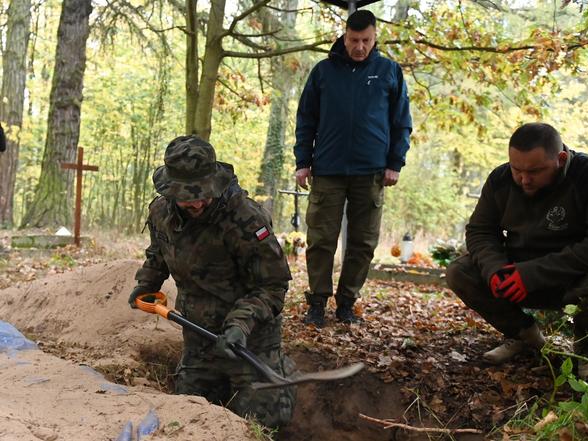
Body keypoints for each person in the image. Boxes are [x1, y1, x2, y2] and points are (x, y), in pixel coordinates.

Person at [446, 123, 588, 381]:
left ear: (560, 159)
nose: (524, 179)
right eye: (517, 169)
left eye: (535, 171)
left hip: (578, 279)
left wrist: (532, 274)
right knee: (460, 271)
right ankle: (523, 335)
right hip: (517, 274)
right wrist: (495, 271)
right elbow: (480, 231)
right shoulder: (500, 180)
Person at [128, 135, 295, 428]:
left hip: (251, 338)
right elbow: (159, 253)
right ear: (171, 191)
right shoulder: (161, 213)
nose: (197, 202)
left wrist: (240, 324)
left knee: (262, 422)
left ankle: (281, 371)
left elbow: (272, 286)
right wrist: (147, 283)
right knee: (188, 418)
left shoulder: (246, 220)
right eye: (187, 196)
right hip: (199, 334)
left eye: (203, 193)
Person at [294, 9, 412, 327]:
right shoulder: (323, 72)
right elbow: (306, 119)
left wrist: (394, 163)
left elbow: (402, 123)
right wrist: (303, 162)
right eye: (353, 40)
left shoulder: (389, 72)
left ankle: (347, 302)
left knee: (362, 242)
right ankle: (317, 302)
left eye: (365, 41)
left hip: (371, 172)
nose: (359, 47)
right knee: (320, 239)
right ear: (344, 36)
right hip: (328, 170)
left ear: (375, 39)